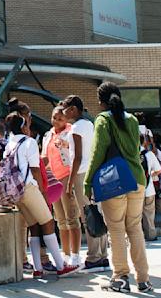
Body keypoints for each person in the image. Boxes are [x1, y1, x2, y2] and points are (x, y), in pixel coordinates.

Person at [84, 83, 152, 294]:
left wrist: (88, 182)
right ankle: (143, 279)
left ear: (100, 101)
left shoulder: (103, 120)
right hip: (137, 178)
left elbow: (97, 153)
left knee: (116, 229)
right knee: (135, 228)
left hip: (115, 181)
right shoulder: (132, 119)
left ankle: (120, 277)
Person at [1, 112, 76, 282]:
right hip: (29, 188)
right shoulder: (29, 142)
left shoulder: (9, 144)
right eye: (26, 124)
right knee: (48, 222)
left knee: (34, 227)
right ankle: (60, 266)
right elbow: (35, 170)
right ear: (23, 127)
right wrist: (42, 192)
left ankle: (37, 269)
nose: (29, 128)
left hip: (15, 191)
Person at [62, 95, 108, 272]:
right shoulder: (90, 124)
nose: (64, 112)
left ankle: (93, 258)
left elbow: (77, 157)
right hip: (95, 173)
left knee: (88, 215)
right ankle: (102, 256)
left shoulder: (76, 128)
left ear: (73, 109)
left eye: (66, 109)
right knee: (97, 213)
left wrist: (70, 182)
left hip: (82, 174)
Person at [41, 106, 80, 268]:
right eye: (54, 118)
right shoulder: (48, 134)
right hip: (53, 179)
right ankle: (65, 254)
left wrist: (66, 145)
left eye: (60, 118)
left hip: (67, 175)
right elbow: (45, 156)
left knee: (71, 217)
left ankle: (76, 255)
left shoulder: (71, 131)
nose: (56, 121)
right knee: (60, 219)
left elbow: (77, 151)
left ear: (66, 119)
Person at [139, 131, 161, 242]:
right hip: (149, 189)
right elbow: (159, 170)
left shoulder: (128, 154)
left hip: (134, 191)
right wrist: (151, 174)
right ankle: (151, 235)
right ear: (143, 142)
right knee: (149, 213)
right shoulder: (149, 154)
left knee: (135, 216)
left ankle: (137, 237)